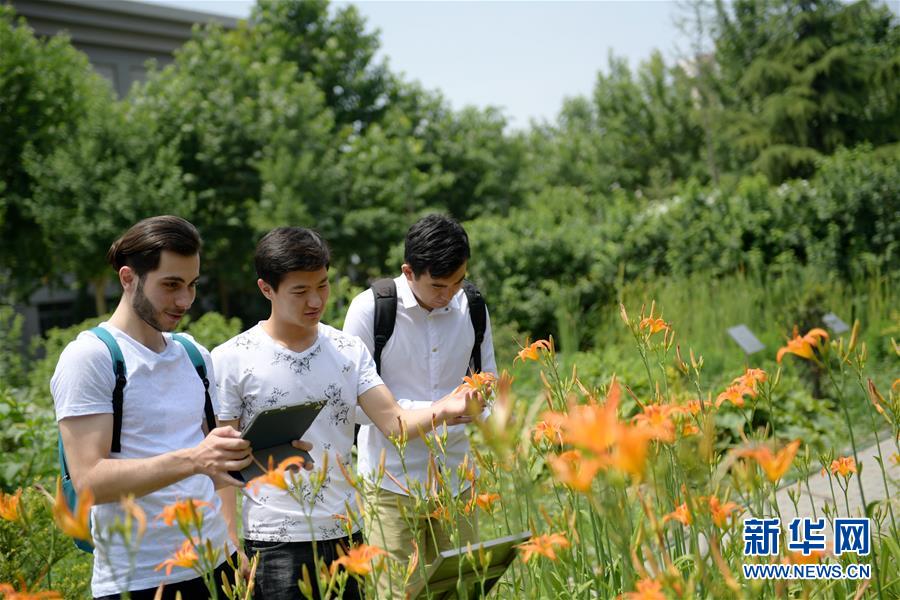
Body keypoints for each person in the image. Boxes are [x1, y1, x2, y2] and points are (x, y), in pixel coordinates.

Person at [212, 227, 482, 600]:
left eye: (322, 286)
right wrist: (230, 542)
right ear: (266, 289)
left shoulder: (347, 350)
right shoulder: (231, 358)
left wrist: (445, 409)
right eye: (300, 291)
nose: (315, 300)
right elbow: (221, 463)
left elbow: (395, 424)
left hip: (346, 534)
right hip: (273, 539)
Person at [51, 216, 253, 600]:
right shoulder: (91, 357)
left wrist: (271, 455)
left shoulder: (194, 355)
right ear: (129, 278)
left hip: (215, 564)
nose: (185, 300)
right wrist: (195, 459)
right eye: (171, 285)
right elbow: (90, 481)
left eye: (192, 285)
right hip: (140, 578)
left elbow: (216, 466)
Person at [343, 213, 497, 597]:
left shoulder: (472, 305)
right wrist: (437, 410)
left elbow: (488, 376)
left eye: (458, 282)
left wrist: (480, 401)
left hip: (457, 479)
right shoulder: (370, 309)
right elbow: (353, 406)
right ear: (408, 271)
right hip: (391, 482)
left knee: (461, 590)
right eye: (438, 285)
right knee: (397, 593)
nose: (449, 295)